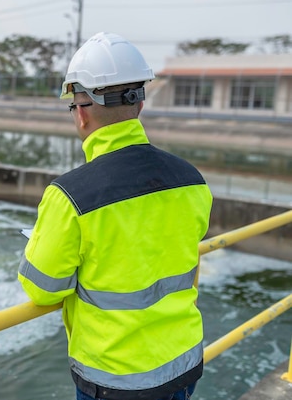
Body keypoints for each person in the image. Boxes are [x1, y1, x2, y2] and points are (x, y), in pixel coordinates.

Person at [17, 32, 212, 400]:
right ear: (139, 105)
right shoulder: (192, 180)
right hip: (183, 363)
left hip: (116, 379)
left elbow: (42, 290)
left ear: (83, 111)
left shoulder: (70, 196)